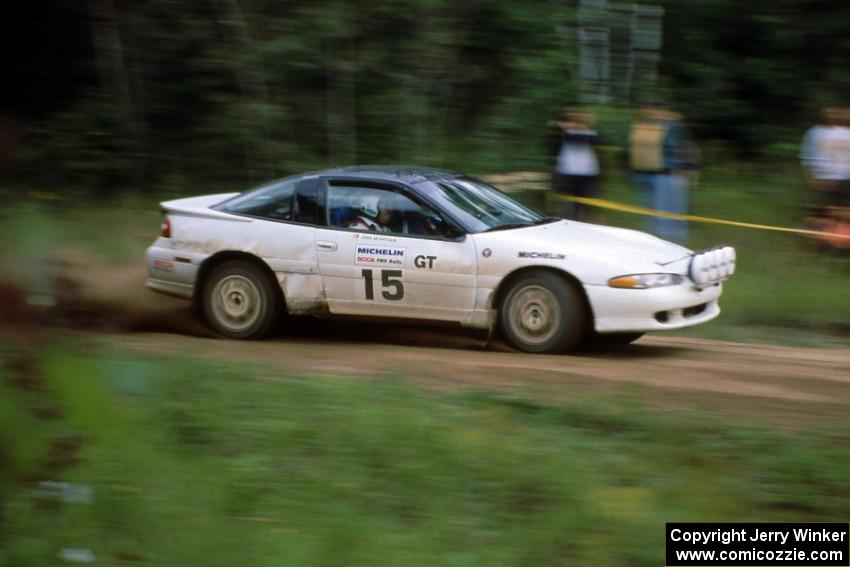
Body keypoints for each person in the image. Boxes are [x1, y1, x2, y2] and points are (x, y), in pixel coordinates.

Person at [627, 103, 699, 243]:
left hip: (669, 174)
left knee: (670, 214)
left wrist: (686, 169)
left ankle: (671, 243)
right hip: (645, 174)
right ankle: (653, 240)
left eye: (656, 110)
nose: (653, 113)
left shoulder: (674, 127)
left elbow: (684, 149)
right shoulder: (641, 127)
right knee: (651, 213)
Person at [548, 109, 601, 221]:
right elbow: (553, 137)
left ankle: (583, 220)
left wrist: (568, 128)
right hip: (568, 173)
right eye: (571, 120)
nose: (575, 123)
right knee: (568, 203)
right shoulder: (564, 134)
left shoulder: (589, 134)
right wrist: (561, 127)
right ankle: (570, 219)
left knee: (585, 203)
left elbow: (589, 140)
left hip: (586, 174)